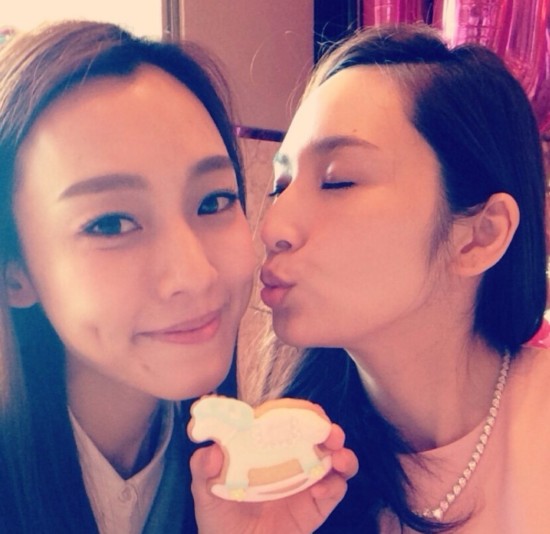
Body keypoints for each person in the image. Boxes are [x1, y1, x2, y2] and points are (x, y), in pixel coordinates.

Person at [0, 20, 356, 533]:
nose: (194, 273)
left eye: (213, 202)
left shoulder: (234, 476)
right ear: (14, 272)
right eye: (110, 223)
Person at [259, 24, 550, 533]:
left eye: (338, 180)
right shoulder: (279, 470)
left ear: (479, 235)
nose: (273, 227)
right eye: (280, 186)